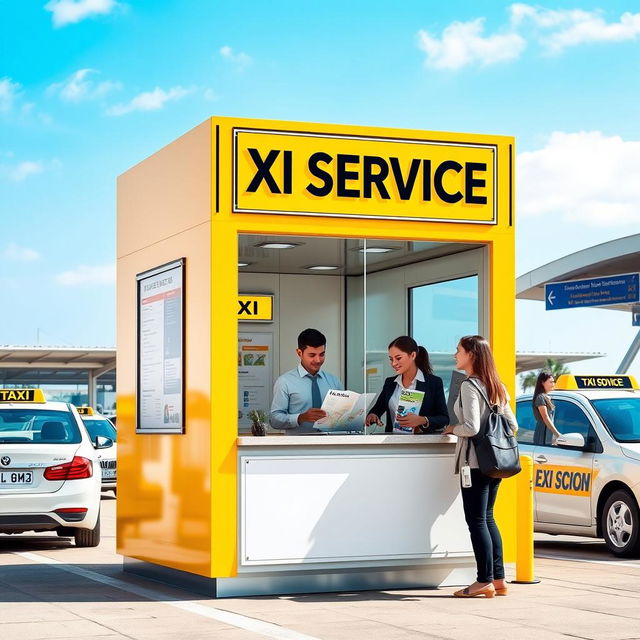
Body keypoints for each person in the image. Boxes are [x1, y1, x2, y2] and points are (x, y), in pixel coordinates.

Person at [442, 335, 518, 598]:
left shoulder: (469, 386)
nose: (455, 355)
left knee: (476, 520)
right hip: (497, 461)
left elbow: (471, 427)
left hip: (475, 463)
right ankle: (499, 579)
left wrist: (452, 428)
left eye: (458, 350)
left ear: (471, 354)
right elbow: (513, 425)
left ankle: (483, 580)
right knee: (488, 518)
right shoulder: (497, 385)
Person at [365, 336, 449, 434]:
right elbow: (377, 409)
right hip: (392, 443)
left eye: (398, 358)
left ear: (413, 355)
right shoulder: (390, 383)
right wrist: (372, 415)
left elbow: (444, 418)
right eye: (391, 359)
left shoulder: (433, 382)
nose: (393, 363)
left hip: (422, 444)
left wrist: (422, 420)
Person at [270, 328, 343, 434]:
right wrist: (300, 417)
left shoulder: (334, 381)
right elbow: (274, 420)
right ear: (299, 353)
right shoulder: (284, 382)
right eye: (312, 355)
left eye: (322, 354)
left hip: (331, 446)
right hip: (299, 447)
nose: (318, 360)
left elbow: (344, 415)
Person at [532, 371, 561, 444]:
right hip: (543, 434)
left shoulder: (548, 397)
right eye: (550, 382)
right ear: (542, 383)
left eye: (553, 382)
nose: (553, 384)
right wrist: (558, 434)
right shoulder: (540, 397)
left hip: (548, 434)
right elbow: (546, 418)